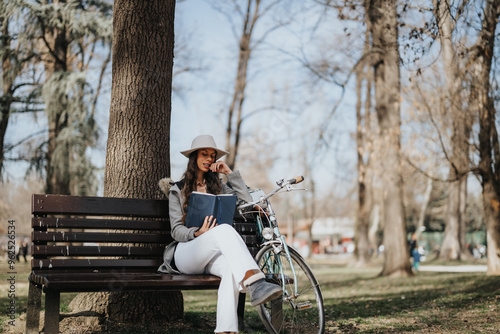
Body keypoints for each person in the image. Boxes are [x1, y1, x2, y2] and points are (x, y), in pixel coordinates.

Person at [158, 135, 282, 334]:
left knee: (232, 270)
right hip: (186, 254)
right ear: (194, 158)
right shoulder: (177, 190)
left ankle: (226, 330)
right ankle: (256, 283)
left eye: (212, 156)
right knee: (224, 229)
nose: (209, 159)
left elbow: (246, 201)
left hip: (212, 253)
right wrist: (198, 232)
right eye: (204, 154)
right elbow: (176, 231)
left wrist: (229, 173)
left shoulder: (219, 187)